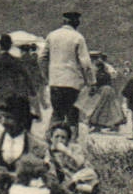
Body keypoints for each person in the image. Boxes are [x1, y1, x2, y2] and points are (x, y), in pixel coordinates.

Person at [40, 9, 94, 140]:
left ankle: (50, 140)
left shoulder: (52, 35)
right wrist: (91, 81)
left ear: (64, 21)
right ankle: (72, 141)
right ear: (76, 22)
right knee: (72, 113)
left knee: (57, 113)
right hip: (72, 82)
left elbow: (42, 58)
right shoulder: (78, 37)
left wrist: (47, 76)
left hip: (55, 82)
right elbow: (86, 63)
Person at [86, 52, 125, 133]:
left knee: (99, 109)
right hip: (109, 91)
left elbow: (96, 82)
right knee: (111, 109)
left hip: (103, 91)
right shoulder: (105, 71)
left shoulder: (99, 73)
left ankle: (97, 126)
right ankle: (113, 125)